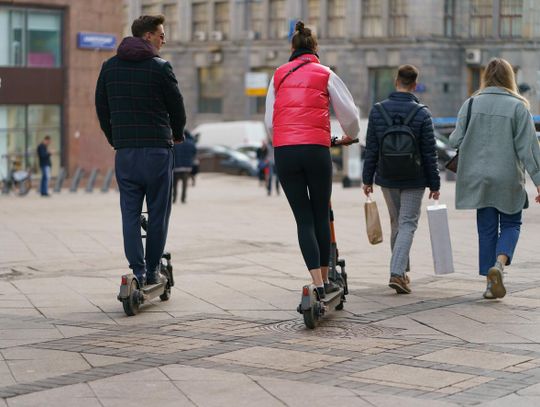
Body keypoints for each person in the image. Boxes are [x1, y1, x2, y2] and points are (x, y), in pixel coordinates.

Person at [265, 21, 360, 299]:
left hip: (285, 152)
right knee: (320, 213)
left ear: (292, 48)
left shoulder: (279, 75)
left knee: (303, 219)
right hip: (316, 150)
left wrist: (281, 140)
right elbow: (351, 116)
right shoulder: (325, 74)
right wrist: (348, 136)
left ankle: (316, 283)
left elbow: (270, 122)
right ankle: (327, 279)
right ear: (315, 48)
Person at [95, 14, 186, 286]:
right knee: (158, 212)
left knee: (130, 213)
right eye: (160, 33)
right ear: (147, 36)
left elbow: (102, 110)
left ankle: (136, 268)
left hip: (126, 154)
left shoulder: (109, 68)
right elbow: (177, 107)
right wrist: (178, 133)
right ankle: (152, 269)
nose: (164, 38)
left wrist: (116, 139)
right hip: (157, 152)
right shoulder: (160, 67)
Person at [449, 57, 540, 299]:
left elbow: (454, 140)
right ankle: (498, 266)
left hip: (478, 178)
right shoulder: (519, 107)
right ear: (510, 78)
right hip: (507, 176)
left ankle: (489, 285)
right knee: (511, 224)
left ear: (485, 77)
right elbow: (529, 149)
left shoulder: (470, 104)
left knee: (487, 229)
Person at [362, 64, 440, 294]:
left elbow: (371, 149)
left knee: (398, 223)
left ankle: (402, 273)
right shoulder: (422, 113)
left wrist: (367, 179)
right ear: (415, 84)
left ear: (396, 81)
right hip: (414, 178)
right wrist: (434, 184)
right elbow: (429, 153)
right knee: (407, 223)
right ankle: (397, 272)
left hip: (387, 177)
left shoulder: (377, 111)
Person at [173, 129, 197, 204]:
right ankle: (183, 199)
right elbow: (194, 153)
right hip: (186, 167)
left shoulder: (175, 143)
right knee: (184, 184)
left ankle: (174, 198)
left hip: (176, 167)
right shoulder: (191, 143)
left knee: (175, 184)